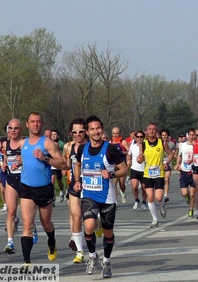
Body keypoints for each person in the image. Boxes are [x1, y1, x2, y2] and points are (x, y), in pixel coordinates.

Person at [73, 115, 127, 278]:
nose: (96, 131)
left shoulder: (111, 149)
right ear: (88, 132)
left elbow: (124, 170)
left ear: (102, 129)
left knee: (107, 232)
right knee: (89, 226)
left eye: (98, 128)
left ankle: (107, 261)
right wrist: (77, 180)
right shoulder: (82, 149)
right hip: (88, 194)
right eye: (92, 129)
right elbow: (78, 165)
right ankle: (92, 256)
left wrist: (111, 173)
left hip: (107, 197)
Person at [13, 112, 66, 267]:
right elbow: (27, 158)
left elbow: (62, 163)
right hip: (26, 188)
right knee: (27, 224)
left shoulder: (48, 143)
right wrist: (19, 163)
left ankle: (51, 241)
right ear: (27, 124)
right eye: (32, 121)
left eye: (38, 122)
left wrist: (45, 158)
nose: (35, 124)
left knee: (46, 223)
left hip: (44, 188)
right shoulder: (23, 143)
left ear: (41, 124)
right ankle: (26, 262)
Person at [138, 123, 173, 228]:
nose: (152, 131)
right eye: (150, 129)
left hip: (159, 173)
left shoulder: (162, 143)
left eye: (153, 129)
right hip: (147, 173)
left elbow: (170, 154)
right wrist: (139, 159)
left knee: (158, 197)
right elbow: (141, 157)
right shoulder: (143, 144)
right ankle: (155, 219)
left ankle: (162, 206)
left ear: (156, 131)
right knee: (150, 196)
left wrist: (166, 162)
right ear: (147, 131)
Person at [63, 118, 88, 263]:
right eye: (74, 132)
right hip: (74, 184)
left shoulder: (92, 146)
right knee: (76, 215)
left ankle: (96, 224)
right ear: (71, 133)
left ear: (85, 132)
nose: (78, 135)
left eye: (81, 132)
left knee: (90, 219)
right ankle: (79, 251)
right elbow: (67, 164)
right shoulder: (68, 147)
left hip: (91, 184)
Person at [0, 119, 23, 254]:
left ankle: (32, 228)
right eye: (11, 128)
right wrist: (2, 165)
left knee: (27, 214)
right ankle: (10, 242)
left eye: (16, 128)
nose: (13, 131)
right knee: (11, 211)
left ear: (20, 130)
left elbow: (30, 159)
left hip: (25, 180)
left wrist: (21, 162)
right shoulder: (5, 144)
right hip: (11, 179)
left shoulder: (24, 143)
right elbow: (5, 159)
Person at [175, 129, 196, 218]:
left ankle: (191, 210)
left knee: (192, 193)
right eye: (190, 135)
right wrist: (177, 164)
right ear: (187, 136)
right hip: (184, 171)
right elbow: (179, 156)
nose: (191, 136)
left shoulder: (196, 145)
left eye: (193, 135)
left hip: (194, 171)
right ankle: (186, 196)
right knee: (184, 193)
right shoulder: (182, 145)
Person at [126, 130, 147, 211]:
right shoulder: (133, 146)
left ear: (143, 137)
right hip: (134, 169)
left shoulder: (146, 146)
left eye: (141, 137)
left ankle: (144, 202)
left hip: (144, 170)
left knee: (144, 188)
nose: (139, 138)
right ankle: (136, 200)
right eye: (138, 137)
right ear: (135, 137)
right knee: (134, 187)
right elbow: (129, 155)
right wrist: (128, 160)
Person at [110, 127, 129, 204]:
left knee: (121, 184)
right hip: (114, 165)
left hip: (122, 164)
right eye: (114, 133)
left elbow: (129, 152)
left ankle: (123, 193)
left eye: (117, 133)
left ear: (119, 133)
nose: (115, 135)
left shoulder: (123, 141)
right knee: (114, 183)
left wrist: (121, 152)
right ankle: (115, 201)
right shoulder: (110, 142)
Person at [160, 129, 175, 202]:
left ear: (168, 136)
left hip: (168, 162)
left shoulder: (171, 144)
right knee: (161, 180)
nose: (164, 136)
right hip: (160, 162)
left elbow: (173, 153)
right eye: (162, 135)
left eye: (165, 135)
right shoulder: (159, 143)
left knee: (166, 179)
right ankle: (161, 193)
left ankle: (166, 194)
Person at [50, 129, 65, 202]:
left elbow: (64, 153)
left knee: (59, 180)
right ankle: (52, 195)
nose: (53, 136)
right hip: (52, 163)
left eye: (55, 134)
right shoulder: (48, 143)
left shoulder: (61, 144)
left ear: (58, 136)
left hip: (58, 163)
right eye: (52, 134)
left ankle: (62, 191)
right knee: (52, 180)